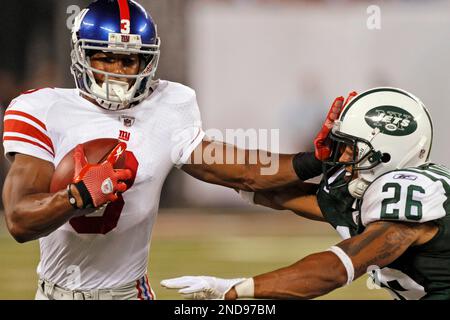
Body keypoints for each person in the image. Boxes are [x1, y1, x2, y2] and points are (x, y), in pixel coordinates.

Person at [1, 0, 322, 300]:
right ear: (82, 55)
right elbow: (19, 221)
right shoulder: (41, 108)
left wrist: (315, 161)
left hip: (129, 293)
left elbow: (245, 171)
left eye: (129, 60)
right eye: (106, 57)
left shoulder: (167, 104)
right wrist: (78, 195)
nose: (118, 70)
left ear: (147, 61)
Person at [161, 87, 450, 300]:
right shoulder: (370, 193)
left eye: (350, 147)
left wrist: (238, 289)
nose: (341, 156)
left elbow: (335, 269)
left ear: (388, 151)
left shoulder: (411, 192)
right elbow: (276, 193)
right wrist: (192, 161)